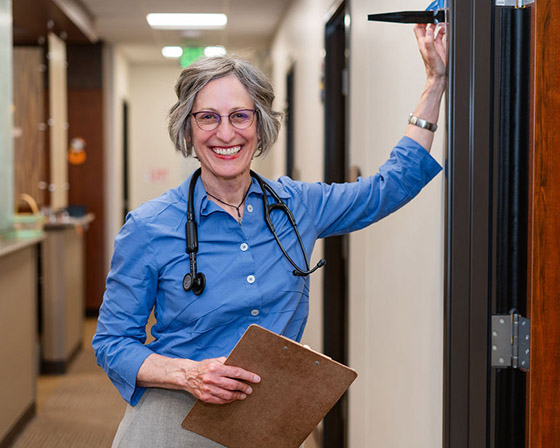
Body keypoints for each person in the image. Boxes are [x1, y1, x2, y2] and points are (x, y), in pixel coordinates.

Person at [93, 23, 447, 448]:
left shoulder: (299, 206)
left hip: (265, 417)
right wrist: (189, 374)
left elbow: (391, 187)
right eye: (208, 117)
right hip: (175, 410)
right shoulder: (150, 227)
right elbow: (112, 342)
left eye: (240, 116)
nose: (226, 134)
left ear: (260, 126)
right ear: (188, 130)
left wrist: (435, 82)